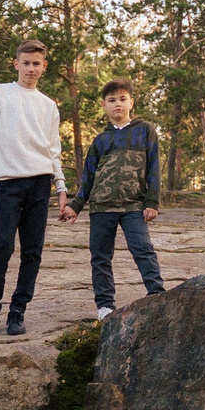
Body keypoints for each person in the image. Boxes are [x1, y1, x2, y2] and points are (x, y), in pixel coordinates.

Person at [0, 38, 72, 337]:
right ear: (16, 64)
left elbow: (53, 150)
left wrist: (61, 187)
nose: (31, 69)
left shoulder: (48, 106)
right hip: (8, 183)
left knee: (33, 251)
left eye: (37, 64)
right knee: (2, 246)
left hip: (40, 183)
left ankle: (17, 312)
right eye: (26, 63)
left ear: (44, 67)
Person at [71, 78, 165, 319]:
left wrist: (152, 202)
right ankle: (105, 305)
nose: (118, 104)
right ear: (104, 105)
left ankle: (157, 294)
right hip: (101, 207)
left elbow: (154, 166)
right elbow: (88, 178)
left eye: (123, 99)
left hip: (134, 205)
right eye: (112, 100)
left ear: (131, 102)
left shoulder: (145, 131)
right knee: (100, 256)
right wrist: (76, 205)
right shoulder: (100, 141)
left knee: (143, 249)